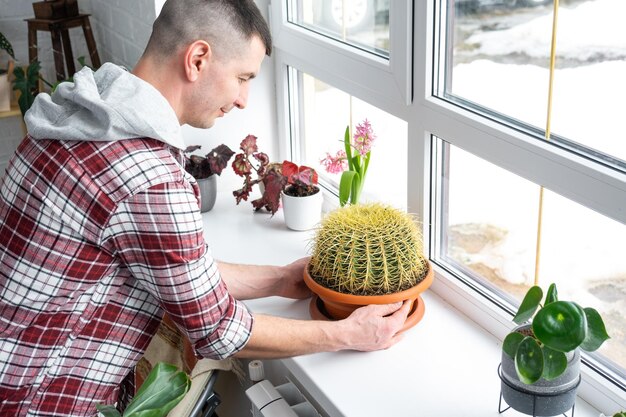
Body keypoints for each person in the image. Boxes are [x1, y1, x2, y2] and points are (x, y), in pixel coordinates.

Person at [0, 0, 411, 415]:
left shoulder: (74, 115)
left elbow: (167, 269)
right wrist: (350, 334)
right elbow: (219, 331)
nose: (244, 99)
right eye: (242, 78)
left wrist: (278, 279)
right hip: (37, 402)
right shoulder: (152, 180)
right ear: (197, 59)